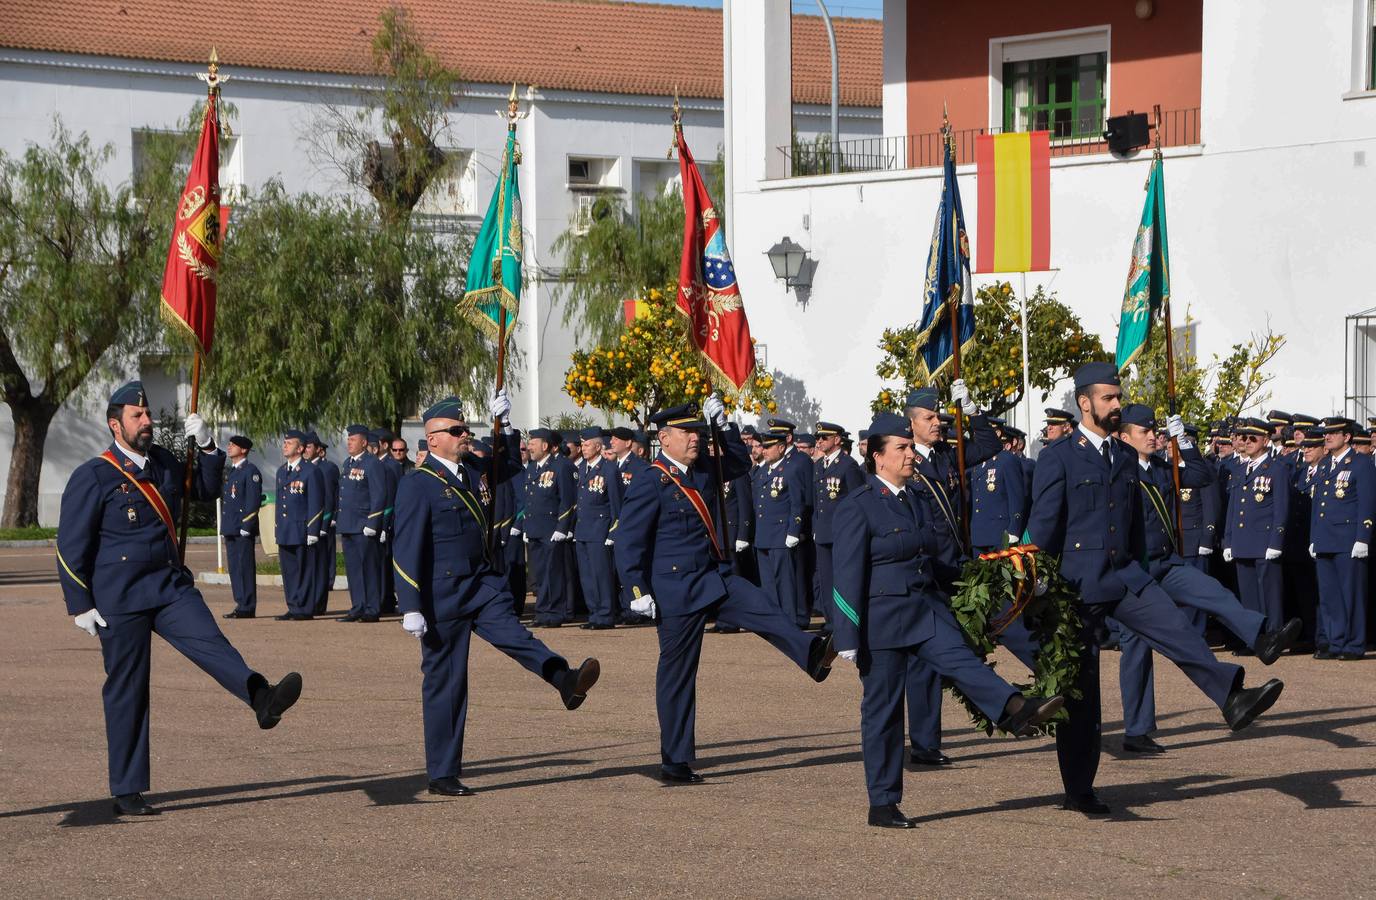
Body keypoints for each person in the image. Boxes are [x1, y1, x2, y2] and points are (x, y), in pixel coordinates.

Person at [1009, 362, 1285, 816]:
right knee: (1082, 696)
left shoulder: (1120, 456)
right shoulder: (1059, 456)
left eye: (1119, 397)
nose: (1117, 405)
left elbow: (1132, 521)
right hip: (1076, 588)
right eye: (1109, 398)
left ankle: (1231, 697)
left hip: (1125, 577)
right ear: (1085, 403)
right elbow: (1042, 526)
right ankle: (1079, 789)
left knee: (1178, 629)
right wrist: (1036, 588)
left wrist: (1145, 569)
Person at [56, 381, 302, 816]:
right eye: (137, 417)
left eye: (148, 414)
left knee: (212, 644)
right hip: (121, 598)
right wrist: (80, 603)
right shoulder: (93, 474)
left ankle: (261, 698)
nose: (147, 421)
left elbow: (206, 490)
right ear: (116, 425)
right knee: (128, 690)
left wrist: (207, 445)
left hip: (169, 586)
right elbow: (70, 544)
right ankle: (128, 788)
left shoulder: (165, 462)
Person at [831, 413, 1064, 828]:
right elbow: (846, 573)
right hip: (881, 621)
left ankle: (1014, 709)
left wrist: (991, 577)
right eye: (900, 448)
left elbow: (936, 561)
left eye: (909, 446)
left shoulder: (916, 499)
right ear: (878, 457)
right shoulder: (859, 504)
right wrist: (847, 633)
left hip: (923, 610)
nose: (909, 454)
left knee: (961, 660)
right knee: (883, 712)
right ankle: (882, 802)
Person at [613, 399, 838, 784]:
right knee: (679, 674)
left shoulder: (702, 471)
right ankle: (675, 760)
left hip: (712, 577)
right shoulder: (651, 479)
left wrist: (725, 424)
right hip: (675, 588)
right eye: (688, 433)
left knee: (760, 604)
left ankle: (811, 654)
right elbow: (629, 540)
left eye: (698, 432)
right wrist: (637, 588)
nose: (695, 439)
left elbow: (736, 463)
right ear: (664, 438)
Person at [393, 394, 600, 796]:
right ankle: (443, 773)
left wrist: (503, 423)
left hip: (480, 584)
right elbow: (406, 547)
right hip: (442, 594)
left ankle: (563, 678)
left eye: (465, 429)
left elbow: (508, 465)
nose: (464, 435)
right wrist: (411, 605)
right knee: (448, 682)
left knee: (518, 637)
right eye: (455, 431)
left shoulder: (472, 470)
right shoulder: (418, 484)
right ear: (432, 439)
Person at [1112, 405, 1300, 754]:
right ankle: (1137, 731)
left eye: (1156, 429)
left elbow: (1201, 475)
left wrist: (1182, 439)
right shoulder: (1117, 471)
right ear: (1124, 437)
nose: (1154, 435)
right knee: (1138, 650)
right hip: (1135, 572)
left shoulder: (1159, 468)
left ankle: (1262, 639)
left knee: (1213, 591)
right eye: (1145, 431)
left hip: (1166, 563)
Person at [901, 381, 1002, 766]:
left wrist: (972, 409)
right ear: (911, 424)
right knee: (925, 660)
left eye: (939, 416)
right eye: (929, 418)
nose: (937, 423)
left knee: (975, 640)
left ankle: (1006, 704)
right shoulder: (907, 461)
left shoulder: (947, 455)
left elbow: (990, 447)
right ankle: (924, 745)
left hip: (958, 565)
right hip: (930, 567)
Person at [1310, 416, 1374, 660]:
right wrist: (1313, 538)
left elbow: (1367, 502)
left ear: (1347, 437)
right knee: (1329, 597)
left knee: (1351, 595)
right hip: (1326, 538)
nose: (1327, 437)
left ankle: (1354, 644)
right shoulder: (1325, 464)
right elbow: (1318, 505)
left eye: (1333, 433)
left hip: (1348, 539)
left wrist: (1363, 537)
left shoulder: (1360, 463)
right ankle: (1336, 642)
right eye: (1327, 433)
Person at [1222, 418, 1290, 635]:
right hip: (1243, 541)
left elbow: (1281, 508)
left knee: (1269, 593)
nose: (1247, 441)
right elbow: (1233, 508)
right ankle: (1255, 636)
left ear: (1266, 439)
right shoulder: (1241, 470)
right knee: (1249, 593)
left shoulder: (1276, 469)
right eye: (1244, 437)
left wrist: (1276, 541)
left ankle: (1273, 634)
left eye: (1253, 437)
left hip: (1264, 541)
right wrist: (1228, 541)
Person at [753, 429, 810, 627]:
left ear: (781, 447)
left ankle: (790, 622)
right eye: (763, 446)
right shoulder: (762, 472)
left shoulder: (791, 469)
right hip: (763, 535)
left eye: (768, 447)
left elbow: (797, 502)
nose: (764, 450)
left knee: (785, 584)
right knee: (768, 584)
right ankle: (774, 622)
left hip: (780, 535)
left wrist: (794, 530)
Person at [812, 421, 864, 633]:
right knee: (826, 579)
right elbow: (817, 500)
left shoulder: (848, 465)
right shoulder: (818, 466)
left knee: (842, 578)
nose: (820, 441)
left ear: (837, 440)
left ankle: (845, 621)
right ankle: (831, 620)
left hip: (841, 532)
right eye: (818, 438)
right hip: (823, 531)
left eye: (824, 437)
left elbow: (856, 500)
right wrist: (815, 525)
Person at [524, 428, 577, 627]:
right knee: (539, 575)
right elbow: (529, 500)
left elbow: (567, 499)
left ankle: (555, 613)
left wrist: (562, 526)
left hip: (552, 528)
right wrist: (525, 526)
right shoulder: (532, 468)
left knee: (553, 574)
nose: (529, 446)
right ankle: (542, 611)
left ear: (545, 446)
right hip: (535, 528)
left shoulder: (561, 466)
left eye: (533, 443)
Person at [573, 427, 622, 629]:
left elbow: (616, 504)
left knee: (601, 574)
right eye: (582, 445)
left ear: (598, 446)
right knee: (586, 576)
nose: (583, 448)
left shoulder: (609, 469)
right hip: (583, 528)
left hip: (600, 529)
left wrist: (614, 530)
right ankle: (594, 613)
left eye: (586, 444)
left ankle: (605, 614)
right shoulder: (582, 469)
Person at [337, 424, 386, 623]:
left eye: (353, 439)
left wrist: (373, 522)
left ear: (364, 442)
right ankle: (358, 606)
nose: (349, 443)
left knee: (369, 568)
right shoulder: (348, 463)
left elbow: (379, 493)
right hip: (348, 523)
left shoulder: (372, 463)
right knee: (354, 569)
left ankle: (372, 608)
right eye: (348, 440)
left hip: (363, 525)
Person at [275, 429, 324, 621]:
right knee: (289, 571)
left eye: (290, 442)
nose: (285, 445)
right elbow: (281, 502)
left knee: (304, 569)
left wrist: (313, 529)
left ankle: (304, 607)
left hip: (302, 528)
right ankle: (293, 605)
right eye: (284, 442)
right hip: (286, 529)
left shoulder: (311, 471)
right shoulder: (281, 471)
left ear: (301, 448)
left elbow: (316, 502)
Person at [221, 435, 263, 619]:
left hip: (242, 527)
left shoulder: (250, 471)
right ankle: (240, 603)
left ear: (244, 450)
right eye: (229, 444)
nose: (229, 447)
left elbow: (252, 501)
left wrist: (248, 523)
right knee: (235, 568)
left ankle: (248, 605)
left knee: (244, 566)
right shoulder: (233, 471)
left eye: (233, 445)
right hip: (231, 526)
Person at [304, 432, 340, 616]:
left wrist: (326, 523)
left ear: (319, 450)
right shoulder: (303, 468)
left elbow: (328, 498)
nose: (305, 450)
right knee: (310, 565)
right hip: (306, 525)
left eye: (309, 447)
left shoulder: (327, 468)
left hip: (322, 524)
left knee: (322, 564)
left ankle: (319, 601)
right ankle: (310, 600)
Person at [375, 429, 403, 616]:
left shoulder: (391, 465)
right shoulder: (376, 464)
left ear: (384, 445)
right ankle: (383, 599)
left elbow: (391, 497)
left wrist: (386, 524)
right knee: (380, 563)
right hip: (377, 520)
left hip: (388, 521)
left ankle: (387, 600)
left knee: (386, 562)